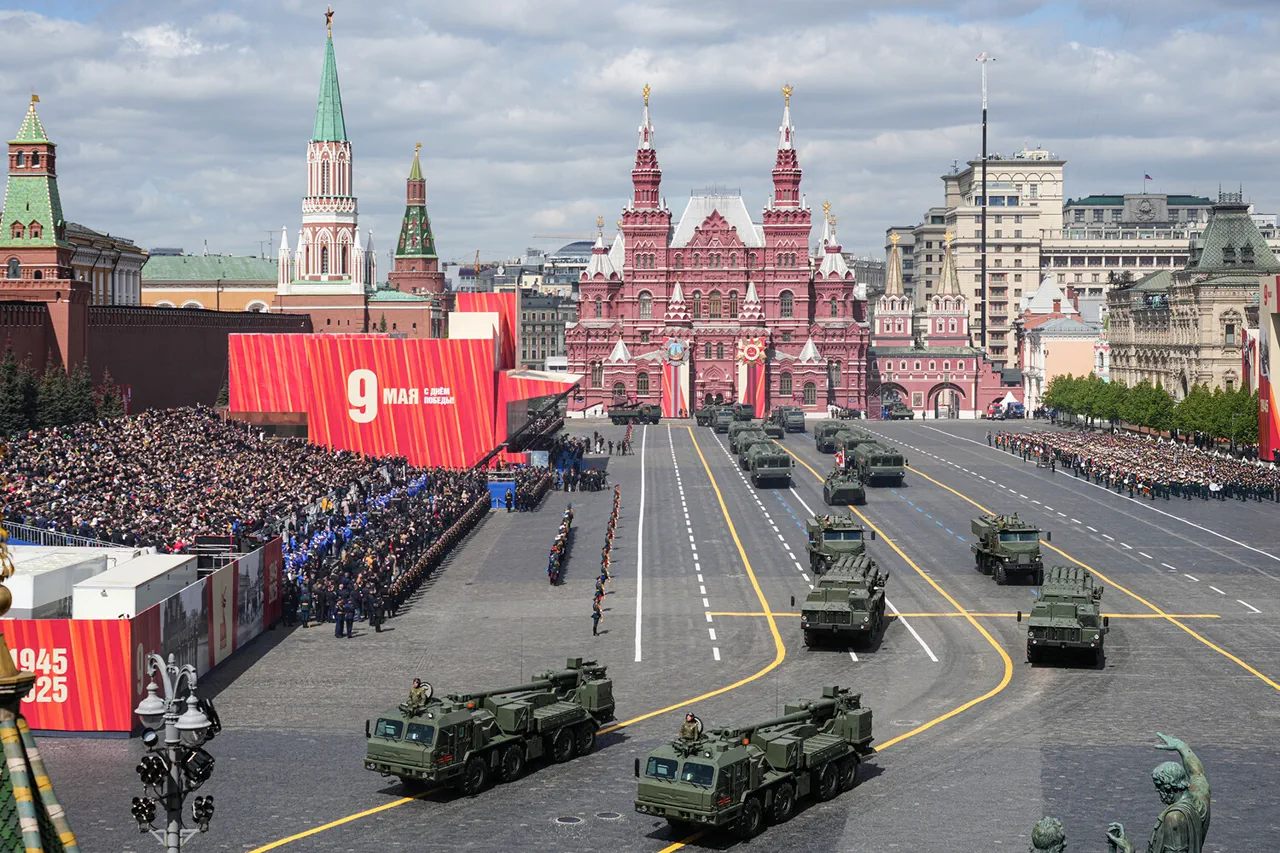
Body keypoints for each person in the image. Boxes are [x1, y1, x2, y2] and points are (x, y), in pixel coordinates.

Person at [1107, 733, 1210, 853]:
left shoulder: (1175, 817)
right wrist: (1182, 747)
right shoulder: (1201, 799)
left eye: (1158, 786)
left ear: (1168, 786)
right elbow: (1197, 773)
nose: (1157, 790)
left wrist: (1129, 849)